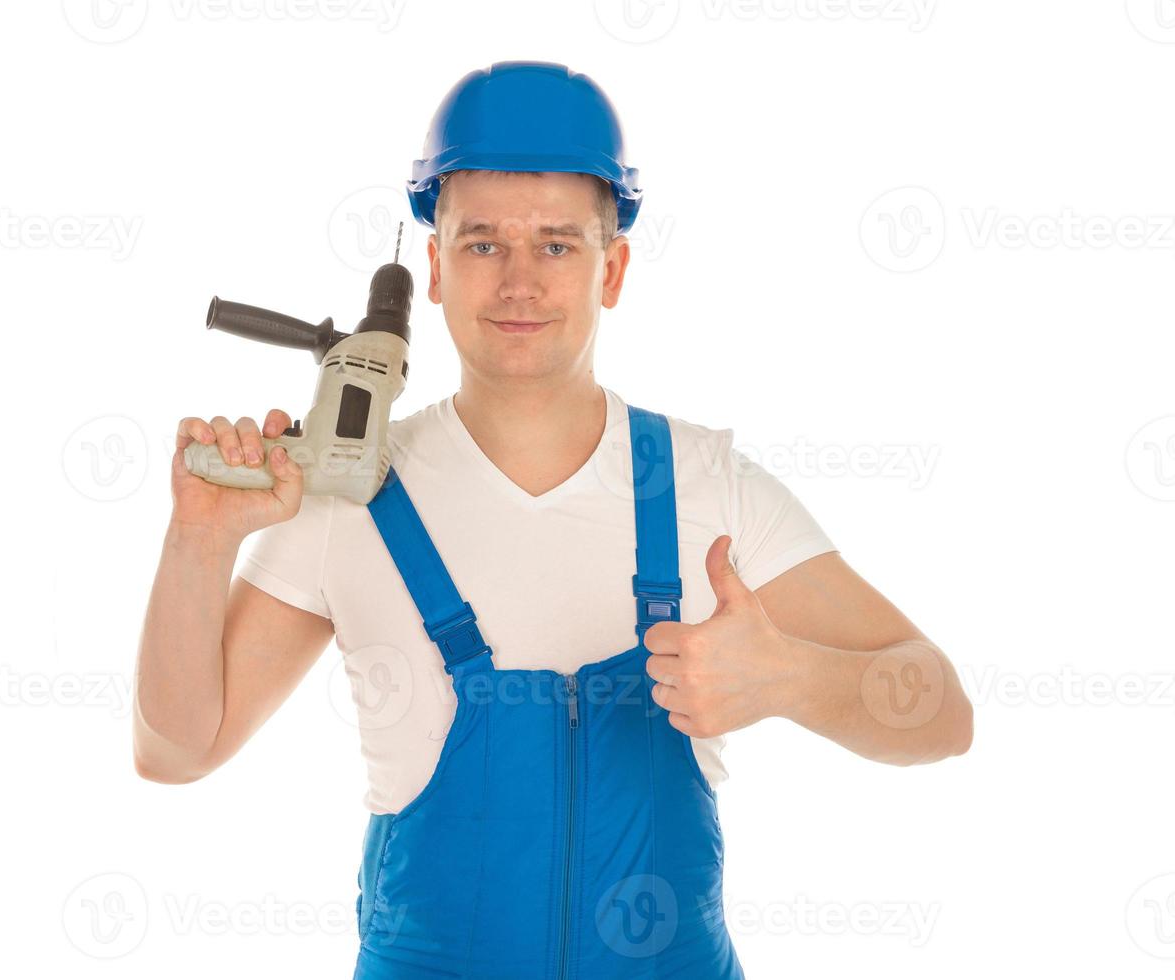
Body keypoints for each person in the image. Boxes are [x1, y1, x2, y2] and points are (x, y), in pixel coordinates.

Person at [133, 60, 973, 979]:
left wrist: (793, 678)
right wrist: (199, 540)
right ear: (436, 270)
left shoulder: (706, 485)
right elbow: (175, 752)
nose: (520, 282)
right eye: (483, 244)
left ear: (612, 270)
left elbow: (942, 711)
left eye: (558, 246)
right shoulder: (352, 496)